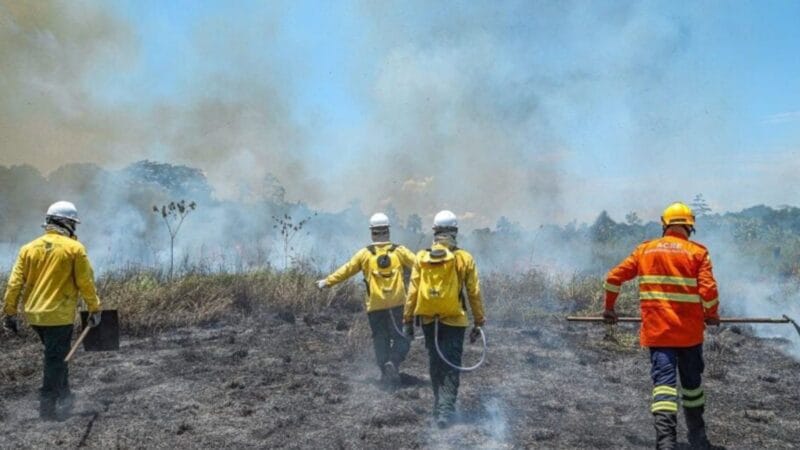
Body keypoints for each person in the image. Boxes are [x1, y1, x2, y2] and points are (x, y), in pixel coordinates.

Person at [603, 202, 719, 450]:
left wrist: (609, 309)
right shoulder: (698, 253)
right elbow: (708, 291)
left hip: (659, 333)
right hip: (689, 335)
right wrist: (711, 314)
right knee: (692, 387)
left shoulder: (645, 250)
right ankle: (698, 440)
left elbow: (613, 278)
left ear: (665, 224)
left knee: (663, 388)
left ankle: (666, 444)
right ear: (690, 226)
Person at [3, 201, 103, 421]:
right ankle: (47, 409)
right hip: (58, 316)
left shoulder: (28, 249)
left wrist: (10, 313)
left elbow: (14, 284)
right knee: (55, 360)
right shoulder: (75, 249)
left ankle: (65, 394)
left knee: (57, 355)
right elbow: (86, 283)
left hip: (35, 316)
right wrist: (95, 308)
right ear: (66, 223)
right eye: (73, 224)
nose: (74, 229)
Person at [403, 210, 485, 428]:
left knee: (435, 362)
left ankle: (439, 406)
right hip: (455, 320)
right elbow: (474, 292)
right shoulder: (464, 258)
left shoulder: (422, 257)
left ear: (435, 232)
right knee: (451, 364)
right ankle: (446, 411)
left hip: (429, 320)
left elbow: (412, 292)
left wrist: (407, 321)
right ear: (455, 231)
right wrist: (479, 322)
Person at [316, 213, 415, 386]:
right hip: (398, 304)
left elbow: (346, 270)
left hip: (375, 306)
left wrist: (326, 282)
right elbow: (421, 265)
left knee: (380, 339)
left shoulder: (365, 254)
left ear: (372, 233)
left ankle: (385, 372)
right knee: (403, 337)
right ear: (387, 231)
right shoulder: (399, 251)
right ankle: (394, 362)